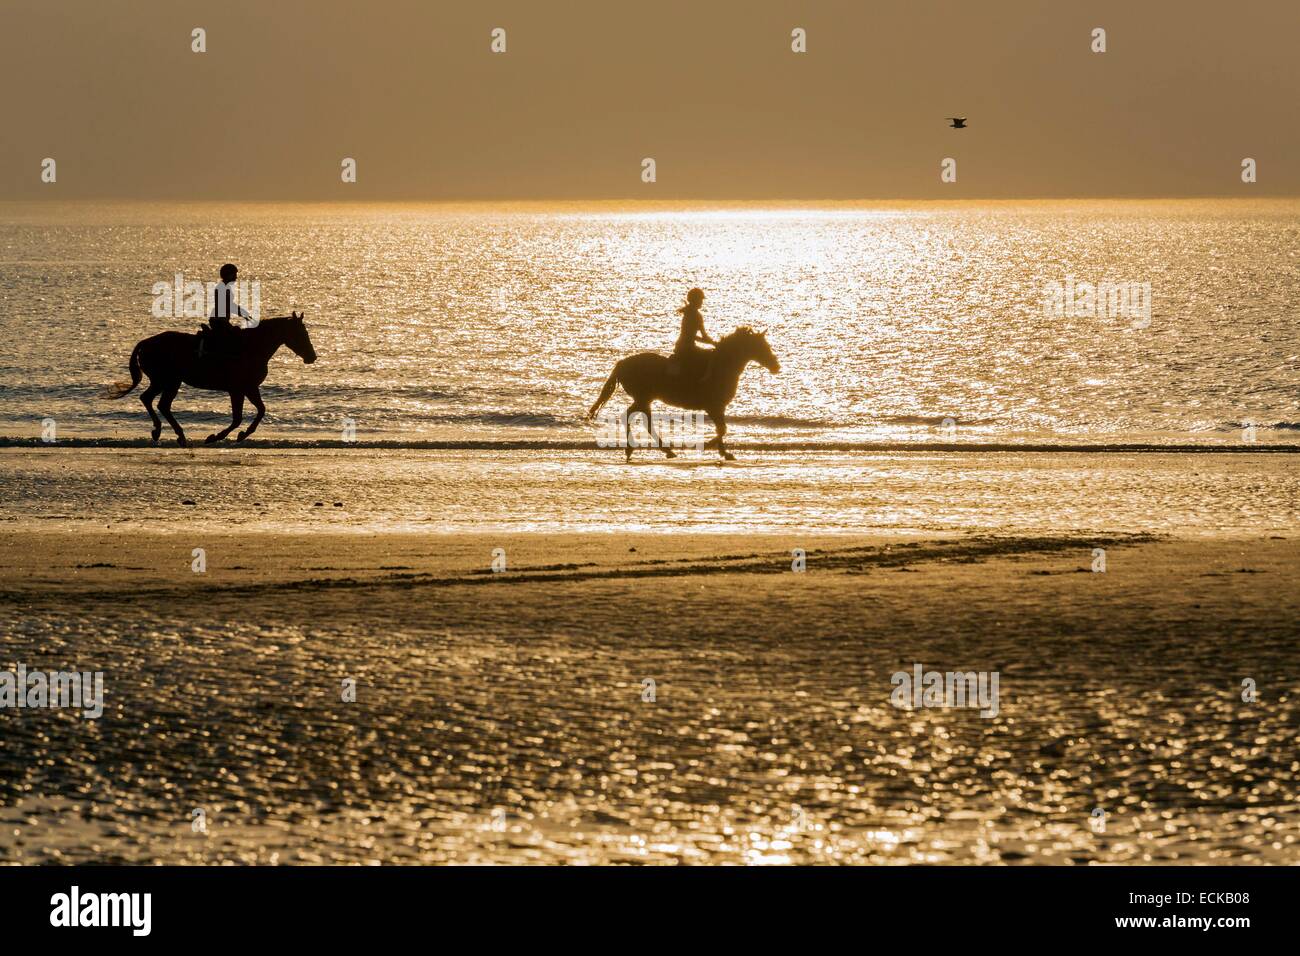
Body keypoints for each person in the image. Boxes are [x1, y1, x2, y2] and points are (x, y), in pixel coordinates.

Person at [198, 263, 253, 359]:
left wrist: (244, 313)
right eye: (234, 274)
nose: (236, 277)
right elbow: (229, 305)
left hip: (222, 320)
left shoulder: (225, 287)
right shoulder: (222, 288)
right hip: (219, 321)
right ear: (228, 275)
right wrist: (243, 314)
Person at [668, 287, 716, 381]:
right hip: (688, 348)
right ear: (695, 300)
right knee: (710, 356)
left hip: (682, 346)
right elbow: (703, 337)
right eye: (700, 300)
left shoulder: (688, 312)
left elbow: (692, 336)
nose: (702, 302)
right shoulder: (697, 315)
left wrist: (711, 342)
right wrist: (715, 344)